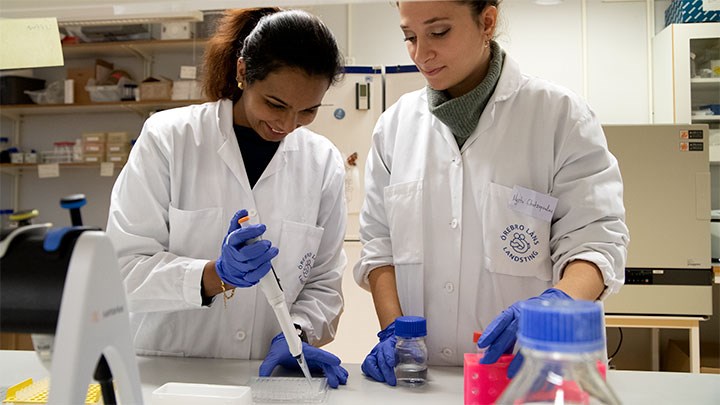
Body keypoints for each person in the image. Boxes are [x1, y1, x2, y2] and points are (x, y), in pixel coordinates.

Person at [355, 0, 629, 386]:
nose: (421, 53)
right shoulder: (394, 127)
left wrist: (555, 309)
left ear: (486, 21)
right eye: (409, 37)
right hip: (424, 378)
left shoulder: (560, 117)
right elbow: (379, 248)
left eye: (438, 32)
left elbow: (596, 242)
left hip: (533, 373)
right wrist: (392, 333)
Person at [106, 8, 349, 388]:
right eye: (275, 104)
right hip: (165, 376)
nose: (286, 125)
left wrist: (296, 334)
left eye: (308, 111)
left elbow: (323, 282)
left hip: (265, 379)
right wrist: (213, 275)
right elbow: (121, 272)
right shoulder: (170, 138)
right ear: (241, 73)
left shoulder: (322, 162)